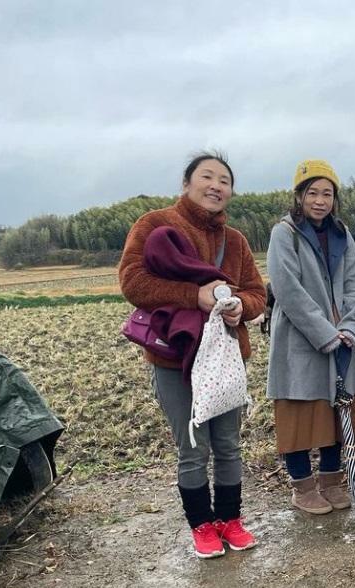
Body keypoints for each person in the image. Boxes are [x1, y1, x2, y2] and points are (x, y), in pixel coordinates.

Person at [119, 152, 265, 558]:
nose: (216, 185)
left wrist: (240, 305)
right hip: (175, 360)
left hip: (226, 359)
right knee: (192, 446)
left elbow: (257, 293)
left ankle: (230, 519)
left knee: (229, 444)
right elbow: (132, 281)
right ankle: (201, 526)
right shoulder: (154, 225)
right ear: (187, 183)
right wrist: (193, 296)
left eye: (224, 180)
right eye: (207, 176)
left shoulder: (234, 240)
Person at [266, 160, 355, 514]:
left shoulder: (342, 233)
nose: (320, 200)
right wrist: (325, 333)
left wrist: (352, 326)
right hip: (300, 337)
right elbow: (287, 288)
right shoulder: (285, 232)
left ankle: (331, 480)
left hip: (344, 337)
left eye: (327, 193)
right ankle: (302, 487)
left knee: (337, 412)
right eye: (313, 192)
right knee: (298, 412)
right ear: (299, 196)